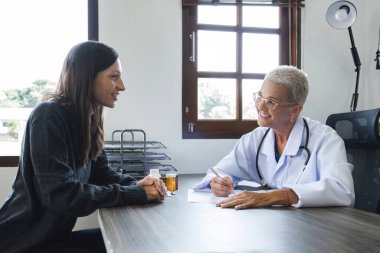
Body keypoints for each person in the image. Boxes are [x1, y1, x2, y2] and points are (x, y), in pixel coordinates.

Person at [0, 41, 165, 253]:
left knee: (133, 240)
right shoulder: (48, 117)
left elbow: (102, 174)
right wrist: (135, 194)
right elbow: (62, 195)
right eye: (114, 76)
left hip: (54, 239)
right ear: (88, 77)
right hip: (23, 244)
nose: (122, 86)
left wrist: (139, 185)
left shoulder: (90, 121)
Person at [194, 65, 355, 210]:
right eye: (260, 97)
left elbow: (342, 191)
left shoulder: (325, 140)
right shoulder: (255, 138)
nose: (260, 106)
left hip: (319, 229)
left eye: (271, 102)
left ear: (294, 110)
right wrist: (218, 182)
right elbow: (219, 171)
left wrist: (279, 196)